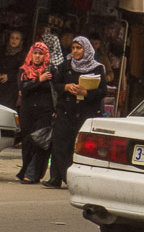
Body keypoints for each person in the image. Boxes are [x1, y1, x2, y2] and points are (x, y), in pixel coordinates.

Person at [43, 36, 106, 189]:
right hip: (66, 111)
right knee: (59, 143)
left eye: (79, 48)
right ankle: (55, 177)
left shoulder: (97, 68)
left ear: (87, 49)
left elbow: (102, 91)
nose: (76, 51)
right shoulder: (66, 65)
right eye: (73, 48)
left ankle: (73, 178)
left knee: (75, 145)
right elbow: (56, 84)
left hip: (85, 112)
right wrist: (66, 87)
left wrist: (86, 92)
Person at [16, 42, 54, 184]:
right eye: (35, 53)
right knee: (27, 142)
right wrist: (39, 80)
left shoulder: (50, 71)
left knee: (39, 141)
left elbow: (54, 91)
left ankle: (31, 174)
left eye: (41, 54)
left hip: (45, 112)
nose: (38, 56)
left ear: (46, 56)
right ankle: (27, 170)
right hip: (27, 112)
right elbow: (23, 88)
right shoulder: (24, 70)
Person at [0, 30, 24, 110]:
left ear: (20, 41)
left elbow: (22, 73)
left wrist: (9, 77)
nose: (14, 40)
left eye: (17, 39)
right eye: (12, 38)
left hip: (12, 88)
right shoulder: (3, 51)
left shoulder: (22, 55)